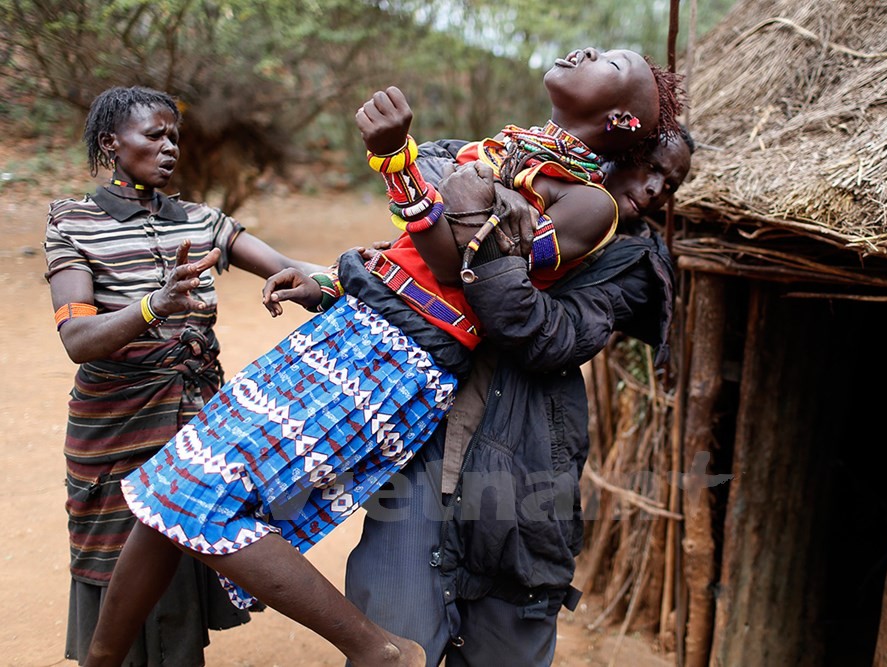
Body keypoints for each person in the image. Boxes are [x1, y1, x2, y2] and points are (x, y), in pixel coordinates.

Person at [82, 48, 681, 667]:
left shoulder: (592, 208)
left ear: (621, 119)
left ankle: (376, 651)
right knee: (167, 488)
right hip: (352, 328)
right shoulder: (505, 148)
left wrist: (399, 162)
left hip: (397, 360)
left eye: (609, 63)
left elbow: (460, 269)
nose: (586, 52)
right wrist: (340, 278)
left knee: (202, 500)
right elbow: (409, 251)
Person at [343, 128, 694, 665]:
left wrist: (486, 223)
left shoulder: (632, 264)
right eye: (649, 166)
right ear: (607, 152)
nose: (653, 189)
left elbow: (540, 332)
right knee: (394, 639)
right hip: (427, 446)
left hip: (526, 468)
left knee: (506, 635)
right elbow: (435, 168)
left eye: (670, 183)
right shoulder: (518, 169)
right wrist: (492, 192)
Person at [44, 86, 328, 666]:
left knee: (177, 571)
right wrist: (155, 306)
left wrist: (323, 283)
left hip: (195, 430)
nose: (170, 146)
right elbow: (77, 338)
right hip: (116, 432)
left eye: (174, 135)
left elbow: (293, 270)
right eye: (154, 135)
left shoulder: (202, 222)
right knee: (119, 574)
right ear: (111, 143)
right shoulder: (74, 222)